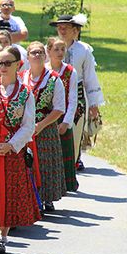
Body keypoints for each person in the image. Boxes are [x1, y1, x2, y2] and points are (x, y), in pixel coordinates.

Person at [0, 46, 40, 254]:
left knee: (8, 190)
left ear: (18, 65)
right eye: (0, 63)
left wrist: (11, 145)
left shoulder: (25, 93)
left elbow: (28, 125)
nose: (2, 67)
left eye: (7, 63)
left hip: (11, 149)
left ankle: (2, 235)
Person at [49, 14, 104, 170]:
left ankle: (75, 158)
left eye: (65, 27)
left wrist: (93, 103)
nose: (62, 30)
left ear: (75, 30)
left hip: (77, 92)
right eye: (59, 27)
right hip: (53, 91)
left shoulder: (83, 50)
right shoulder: (52, 46)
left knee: (76, 127)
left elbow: (90, 77)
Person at [20, 41, 66, 211]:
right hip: (24, 127)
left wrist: (41, 125)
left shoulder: (54, 79)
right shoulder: (21, 77)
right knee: (27, 162)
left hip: (45, 127)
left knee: (45, 163)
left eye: (40, 52)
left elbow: (59, 108)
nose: (37, 55)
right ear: (28, 56)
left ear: (45, 56)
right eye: (33, 52)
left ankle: (47, 198)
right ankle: (29, 196)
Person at [46, 36, 79, 191]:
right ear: (49, 51)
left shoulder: (70, 72)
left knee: (64, 152)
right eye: (56, 49)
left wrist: (66, 121)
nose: (60, 53)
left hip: (63, 118)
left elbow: (72, 99)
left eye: (62, 49)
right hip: (47, 116)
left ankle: (67, 183)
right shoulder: (45, 70)